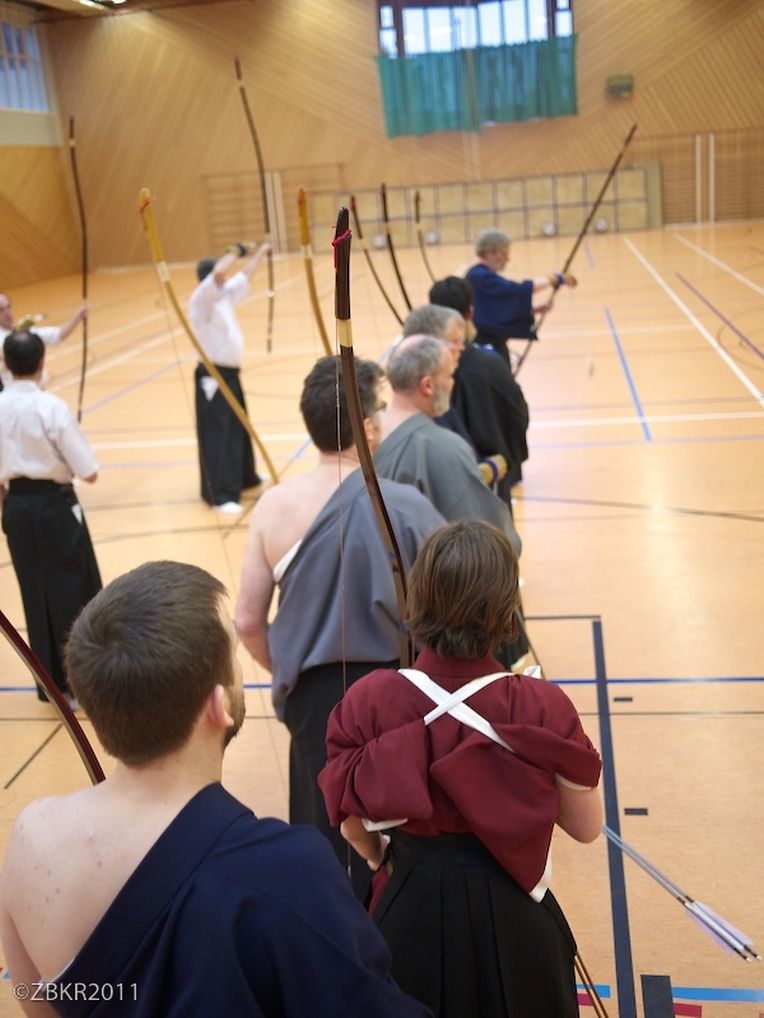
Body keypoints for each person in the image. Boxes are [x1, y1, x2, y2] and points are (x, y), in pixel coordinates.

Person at [0, 560, 432, 1018]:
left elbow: (38, 1004)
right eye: (234, 656)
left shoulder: (30, 838)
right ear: (219, 705)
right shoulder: (289, 867)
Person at [319, 520, 602, 1018]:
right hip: (518, 924)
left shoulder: (370, 699)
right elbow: (586, 827)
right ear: (506, 607)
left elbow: (350, 824)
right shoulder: (541, 705)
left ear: (419, 597)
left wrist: (378, 858)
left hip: (407, 913)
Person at [236, 355, 444, 900]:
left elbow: (247, 620)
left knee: (323, 827)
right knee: (394, 825)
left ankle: (324, 930)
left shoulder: (275, 507)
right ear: (368, 427)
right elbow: (447, 608)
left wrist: (289, 668)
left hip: (313, 698)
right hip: (395, 692)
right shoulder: (406, 505)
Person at [0, 330, 101, 705]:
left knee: (35, 592)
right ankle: (80, 683)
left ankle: (51, 685)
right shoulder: (51, 407)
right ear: (42, 363)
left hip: (16, 508)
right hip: (53, 507)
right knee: (72, 591)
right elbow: (89, 471)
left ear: (5, 364)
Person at [188, 241, 271, 514]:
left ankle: (245, 477)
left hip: (230, 374)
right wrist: (236, 250)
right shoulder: (202, 300)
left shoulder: (222, 297)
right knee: (219, 434)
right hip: (214, 377)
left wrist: (260, 253)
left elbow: (244, 276)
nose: (224, 278)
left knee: (237, 427)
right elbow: (220, 273)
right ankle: (220, 496)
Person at [428, 276, 530, 492]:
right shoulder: (491, 363)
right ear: (470, 312)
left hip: (448, 483)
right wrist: (510, 460)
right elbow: (517, 415)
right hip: (490, 478)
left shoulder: (422, 371)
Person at [465, 228, 577, 366]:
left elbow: (496, 310)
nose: (507, 259)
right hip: (483, 346)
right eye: (503, 253)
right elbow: (515, 291)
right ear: (489, 253)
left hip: (493, 344)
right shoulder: (478, 276)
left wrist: (533, 310)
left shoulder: (482, 275)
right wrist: (555, 279)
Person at [0, 292, 88, 389]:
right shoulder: (9, 337)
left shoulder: (23, 331)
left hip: (37, 389)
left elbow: (58, 335)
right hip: (13, 392)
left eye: (8, 307)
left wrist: (77, 317)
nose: (7, 313)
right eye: (1, 310)